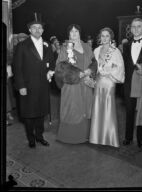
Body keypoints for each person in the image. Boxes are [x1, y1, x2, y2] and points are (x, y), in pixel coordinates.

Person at [13, 13, 55, 148]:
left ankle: (40, 136)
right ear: (29, 30)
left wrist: (51, 71)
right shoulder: (22, 46)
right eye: (34, 28)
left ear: (43, 30)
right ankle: (31, 138)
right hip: (28, 86)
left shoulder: (47, 45)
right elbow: (17, 68)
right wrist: (21, 86)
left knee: (41, 112)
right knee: (29, 113)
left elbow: (52, 62)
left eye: (40, 28)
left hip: (43, 85)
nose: (37, 30)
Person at [54, 24, 97, 144]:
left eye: (76, 31)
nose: (74, 34)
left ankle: (86, 135)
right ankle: (71, 137)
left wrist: (90, 71)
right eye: (71, 32)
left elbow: (94, 62)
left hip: (86, 83)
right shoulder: (64, 48)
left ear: (80, 33)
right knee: (72, 107)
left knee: (86, 107)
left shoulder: (87, 47)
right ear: (68, 34)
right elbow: (60, 67)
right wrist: (77, 74)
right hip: (71, 85)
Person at [89, 27, 125, 147]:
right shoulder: (96, 50)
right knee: (98, 107)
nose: (104, 38)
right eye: (102, 36)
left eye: (107, 36)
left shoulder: (115, 51)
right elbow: (93, 67)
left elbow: (120, 67)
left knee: (108, 108)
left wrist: (110, 71)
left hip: (109, 82)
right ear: (100, 37)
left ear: (111, 38)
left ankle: (110, 137)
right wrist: (92, 77)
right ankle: (96, 137)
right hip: (98, 82)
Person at [122, 18, 142, 150]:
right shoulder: (126, 45)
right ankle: (128, 138)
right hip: (128, 83)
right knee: (129, 111)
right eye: (133, 27)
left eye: (139, 26)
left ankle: (141, 139)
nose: (136, 29)